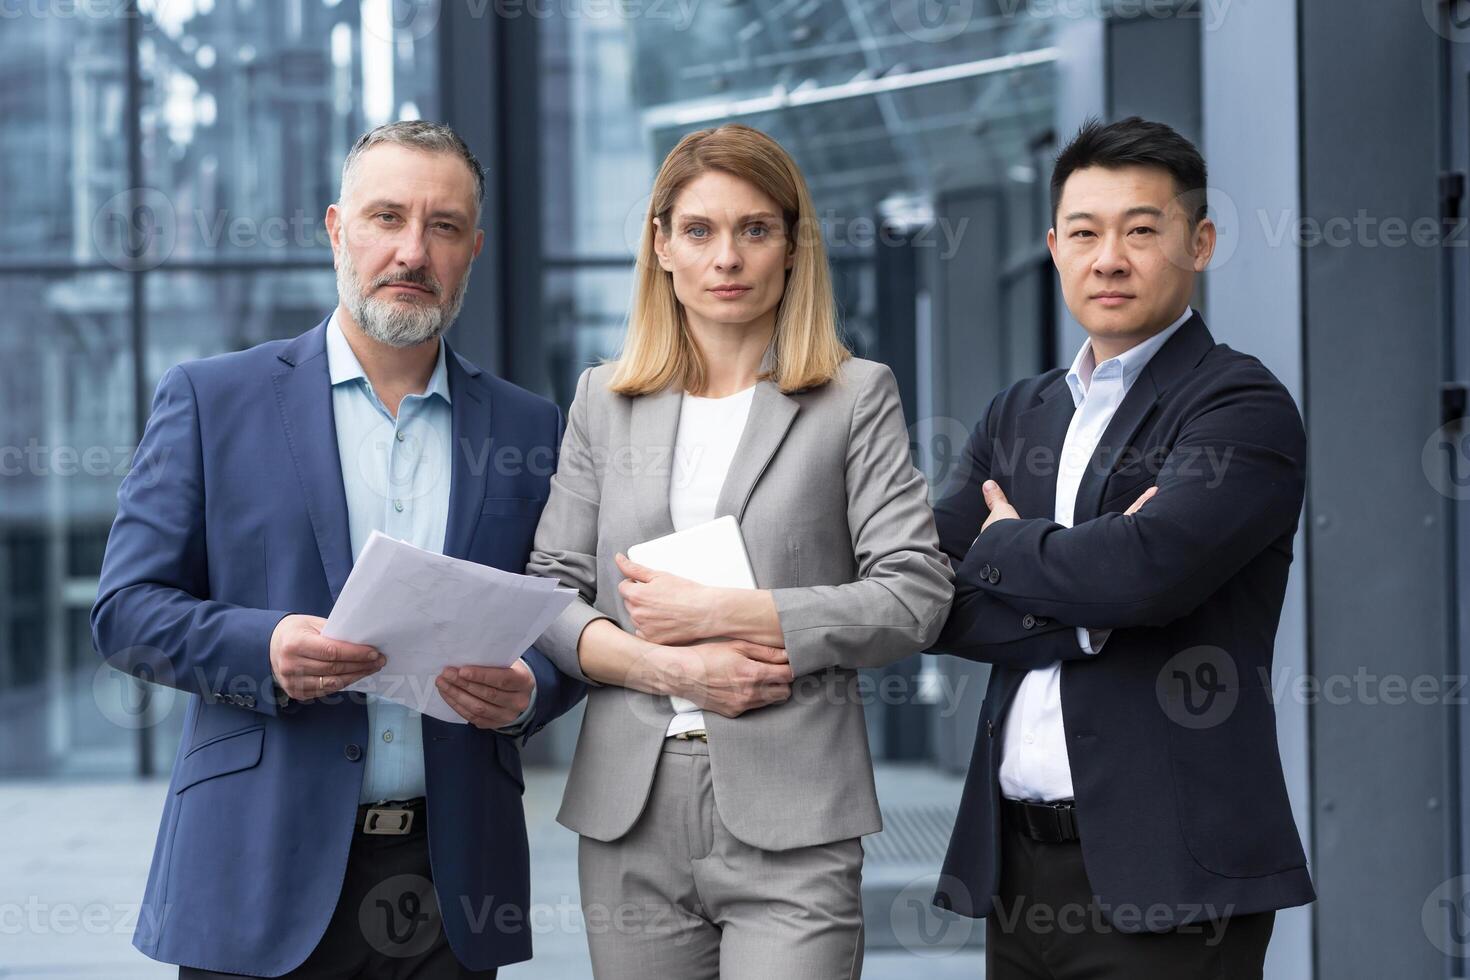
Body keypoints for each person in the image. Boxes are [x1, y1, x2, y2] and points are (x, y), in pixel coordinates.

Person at [90, 121, 584, 978]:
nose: (411, 250)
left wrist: (529, 693)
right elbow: (126, 613)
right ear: (335, 228)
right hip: (255, 873)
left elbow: (567, 616)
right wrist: (264, 648)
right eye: (386, 217)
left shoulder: (528, 426)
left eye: (443, 226)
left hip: (451, 882)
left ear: (474, 247)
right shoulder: (213, 400)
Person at [526, 123, 953, 979]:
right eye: (700, 231)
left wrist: (743, 616)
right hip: (631, 818)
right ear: (662, 246)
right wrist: (671, 670)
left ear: (793, 248)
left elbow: (916, 594)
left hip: (794, 814)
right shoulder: (602, 404)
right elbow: (549, 592)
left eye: (756, 230)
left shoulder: (853, 396)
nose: (728, 257)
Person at [929, 116, 1315, 978]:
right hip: (1017, 871)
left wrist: (1009, 545)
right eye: (1085, 232)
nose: (1110, 257)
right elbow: (932, 597)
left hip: (1171, 880)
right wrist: (1082, 603)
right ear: (1054, 247)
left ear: (1201, 241)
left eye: (1142, 231)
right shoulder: (1018, 414)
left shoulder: (1239, 406)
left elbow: (1142, 576)